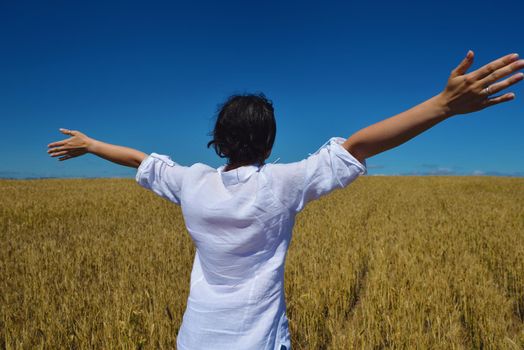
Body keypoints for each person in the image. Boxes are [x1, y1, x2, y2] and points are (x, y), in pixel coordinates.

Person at [47, 51, 523, 350]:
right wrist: (441, 106)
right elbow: (357, 147)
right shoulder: (282, 183)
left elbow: (136, 159)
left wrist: (90, 144)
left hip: (196, 337)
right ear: (270, 144)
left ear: (218, 140)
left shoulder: (190, 182)